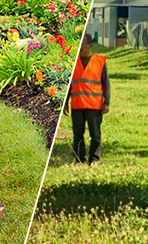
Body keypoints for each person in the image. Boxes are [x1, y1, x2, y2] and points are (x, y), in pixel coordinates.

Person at [64, 34, 110, 166]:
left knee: (95, 135)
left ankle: (94, 159)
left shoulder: (99, 61)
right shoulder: (74, 61)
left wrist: (106, 103)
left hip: (94, 106)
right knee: (77, 135)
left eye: (82, 45)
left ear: (90, 45)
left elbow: (106, 83)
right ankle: (79, 159)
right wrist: (65, 102)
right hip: (77, 105)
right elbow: (70, 85)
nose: (80, 48)